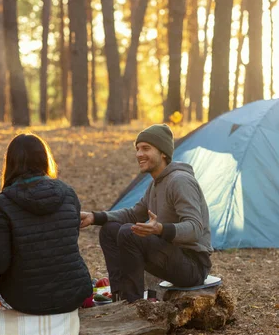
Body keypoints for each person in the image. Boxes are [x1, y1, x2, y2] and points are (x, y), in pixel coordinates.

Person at [80, 124, 213, 303]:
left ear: (163, 153)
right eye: (137, 149)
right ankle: (120, 300)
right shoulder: (155, 184)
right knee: (110, 230)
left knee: (128, 233)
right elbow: (134, 214)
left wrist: (160, 229)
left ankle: (134, 304)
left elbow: (195, 228)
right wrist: (95, 217)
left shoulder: (180, 181)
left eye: (146, 148)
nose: (139, 154)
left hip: (193, 265)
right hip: (170, 255)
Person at [0, 133, 92, 315]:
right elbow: (67, 242)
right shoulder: (68, 193)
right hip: (73, 294)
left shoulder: (2, 203)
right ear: (45, 159)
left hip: (26, 299)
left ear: (11, 163)